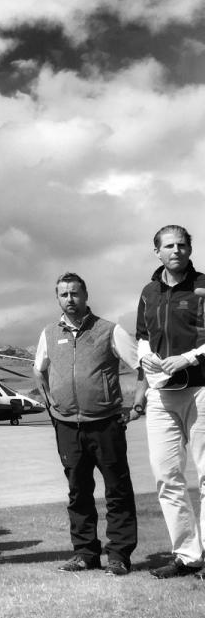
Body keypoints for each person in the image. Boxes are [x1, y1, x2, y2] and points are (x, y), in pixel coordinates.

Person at [33, 273, 140, 576]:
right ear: (57, 298)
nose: (70, 299)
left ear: (85, 295)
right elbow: (38, 371)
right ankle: (85, 554)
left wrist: (135, 404)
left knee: (117, 491)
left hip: (106, 423)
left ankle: (119, 555)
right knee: (78, 491)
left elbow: (141, 366)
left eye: (75, 293)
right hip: (67, 426)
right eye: (64, 294)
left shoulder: (109, 330)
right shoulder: (48, 333)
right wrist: (51, 405)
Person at [135, 224, 205, 579]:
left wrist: (189, 358)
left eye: (182, 245)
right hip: (161, 394)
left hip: (200, 388)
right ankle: (188, 555)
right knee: (166, 476)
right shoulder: (148, 292)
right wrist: (147, 358)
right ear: (157, 252)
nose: (176, 250)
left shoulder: (204, 286)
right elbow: (143, 336)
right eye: (168, 246)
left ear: (190, 249)